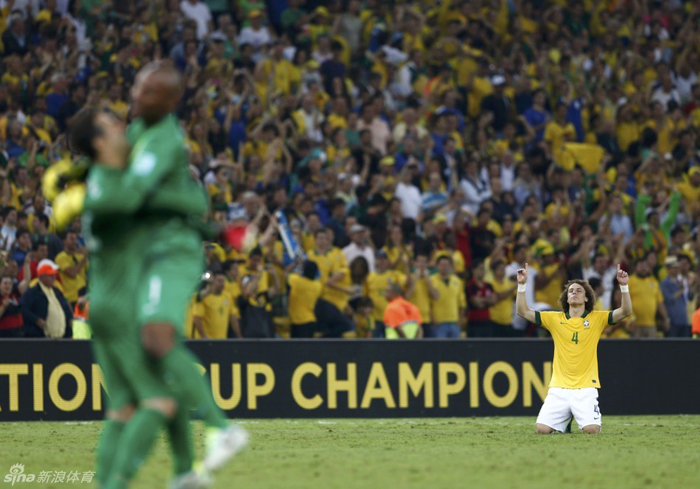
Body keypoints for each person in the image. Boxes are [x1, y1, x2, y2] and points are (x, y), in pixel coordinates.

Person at [64, 65, 246, 488]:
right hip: (122, 304)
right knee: (159, 399)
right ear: (100, 142)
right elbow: (145, 201)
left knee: (123, 407)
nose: (122, 119)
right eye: (111, 123)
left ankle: (182, 474)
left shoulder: (104, 182)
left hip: (105, 306)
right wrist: (190, 197)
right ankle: (203, 442)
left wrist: (212, 228)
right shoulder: (115, 189)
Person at [516, 263, 633, 434]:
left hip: (585, 387)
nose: (574, 293)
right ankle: (565, 420)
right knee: (541, 430)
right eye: (571, 291)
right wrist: (521, 284)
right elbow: (522, 311)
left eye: (579, 290)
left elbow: (626, 311)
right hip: (559, 387)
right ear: (566, 297)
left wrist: (624, 286)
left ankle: (570, 416)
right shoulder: (555, 318)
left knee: (592, 430)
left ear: (587, 298)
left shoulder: (597, 319)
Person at [20, 260, 73, 338]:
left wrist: (70, 318)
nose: (53, 278)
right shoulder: (33, 292)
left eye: (54, 275)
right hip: (41, 339)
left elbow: (65, 306)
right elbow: (22, 309)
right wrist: (36, 319)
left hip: (61, 338)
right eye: (50, 275)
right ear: (42, 276)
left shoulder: (57, 291)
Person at [628, 257, 670, 338]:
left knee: (651, 349)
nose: (643, 268)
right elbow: (624, 302)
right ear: (635, 268)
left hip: (651, 325)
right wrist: (630, 319)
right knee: (635, 349)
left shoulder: (653, 282)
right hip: (635, 324)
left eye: (645, 266)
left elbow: (659, 303)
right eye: (640, 265)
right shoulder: (630, 281)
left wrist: (666, 318)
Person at [193, 270, 241, 339]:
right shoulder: (203, 297)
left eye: (223, 281)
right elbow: (197, 318)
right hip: (206, 341)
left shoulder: (227, 296)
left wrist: (239, 336)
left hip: (221, 340)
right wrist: (204, 336)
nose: (222, 284)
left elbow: (232, 317)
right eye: (219, 281)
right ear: (212, 281)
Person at [429, 255, 466, 338]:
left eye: (447, 264)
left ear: (450, 266)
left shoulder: (457, 281)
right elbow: (428, 302)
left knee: (456, 350)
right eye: (442, 264)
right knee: (440, 349)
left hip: (454, 322)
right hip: (439, 323)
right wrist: (432, 319)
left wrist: (460, 320)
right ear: (437, 266)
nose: (445, 267)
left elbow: (462, 303)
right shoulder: (431, 280)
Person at [287, 260, 323, 338]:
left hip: (298, 321)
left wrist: (296, 263)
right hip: (310, 320)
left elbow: (285, 273)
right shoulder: (318, 285)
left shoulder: (297, 281)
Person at [54, 228, 88, 306]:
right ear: (64, 241)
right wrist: (84, 259)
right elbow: (72, 273)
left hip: (83, 295)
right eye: (71, 239)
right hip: (71, 298)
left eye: (75, 239)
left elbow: (88, 270)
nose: (74, 241)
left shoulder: (79, 255)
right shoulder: (60, 257)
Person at [660, 256, 692, 338]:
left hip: (683, 319)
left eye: (677, 267)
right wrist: (681, 290)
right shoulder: (664, 283)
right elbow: (669, 299)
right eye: (674, 267)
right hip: (673, 320)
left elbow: (688, 297)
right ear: (668, 269)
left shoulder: (681, 281)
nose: (677, 269)